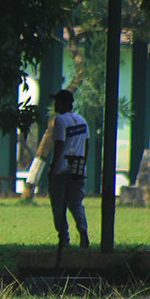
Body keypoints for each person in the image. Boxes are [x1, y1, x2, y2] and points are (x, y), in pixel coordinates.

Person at [48, 89, 90, 249]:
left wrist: (53, 169)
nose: (55, 104)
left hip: (62, 170)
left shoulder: (60, 120)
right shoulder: (82, 121)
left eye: (57, 101)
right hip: (78, 170)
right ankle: (83, 230)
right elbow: (86, 145)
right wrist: (82, 165)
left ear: (66, 104)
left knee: (58, 206)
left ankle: (64, 238)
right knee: (76, 203)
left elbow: (59, 145)